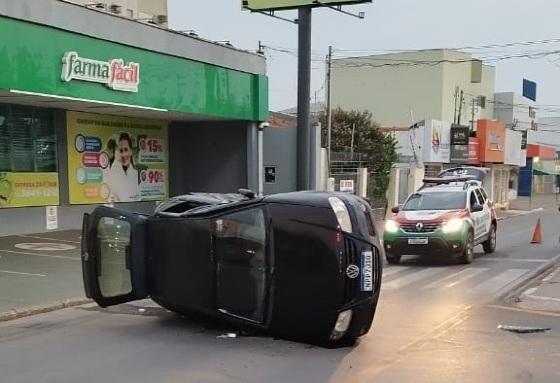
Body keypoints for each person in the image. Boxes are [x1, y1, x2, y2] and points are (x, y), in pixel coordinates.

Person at [105, 132, 140, 202]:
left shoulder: (136, 173)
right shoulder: (110, 173)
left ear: (131, 151)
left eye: (126, 150)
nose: (123, 154)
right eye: (121, 150)